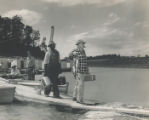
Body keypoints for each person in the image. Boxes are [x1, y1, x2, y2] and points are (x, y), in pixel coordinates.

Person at [69, 39, 89, 104]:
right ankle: (79, 99)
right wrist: (72, 54)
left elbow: (85, 61)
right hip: (78, 70)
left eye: (83, 43)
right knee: (81, 85)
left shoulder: (83, 51)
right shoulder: (75, 50)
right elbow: (69, 55)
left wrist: (87, 70)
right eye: (82, 43)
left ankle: (74, 97)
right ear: (79, 44)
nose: (83, 44)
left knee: (77, 84)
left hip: (83, 70)